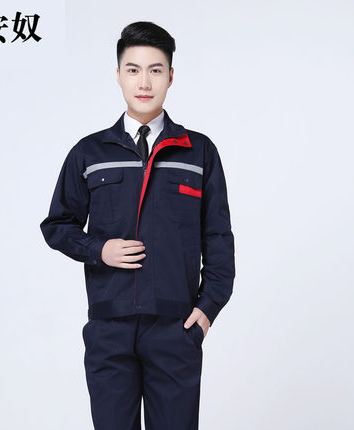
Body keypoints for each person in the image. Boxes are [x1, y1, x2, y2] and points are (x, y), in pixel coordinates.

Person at [40, 21, 235, 430]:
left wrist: (206, 311)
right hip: (109, 330)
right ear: (118, 75)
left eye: (155, 70)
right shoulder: (90, 152)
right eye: (133, 70)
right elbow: (57, 225)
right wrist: (99, 249)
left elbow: (218, 238)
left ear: (170, 76)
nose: (144, 82)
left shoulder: (198, 152)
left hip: (175, 329)